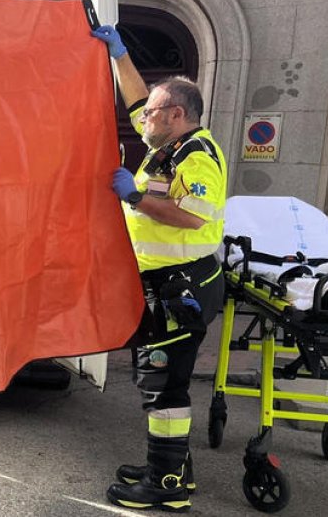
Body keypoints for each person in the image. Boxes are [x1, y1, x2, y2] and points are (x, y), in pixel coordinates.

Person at [94, 25, 227, 513]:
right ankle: (172, 469)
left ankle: (166, 483)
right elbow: (133, 100)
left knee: (163, 384)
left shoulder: (198, 156)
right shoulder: (167, 144)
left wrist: (136, 196)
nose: (141, 118)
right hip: (168, 284)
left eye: (151, 112)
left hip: (180, 288)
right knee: (160, 379)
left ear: (177, 114)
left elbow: (193, 215)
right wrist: (120, 54)